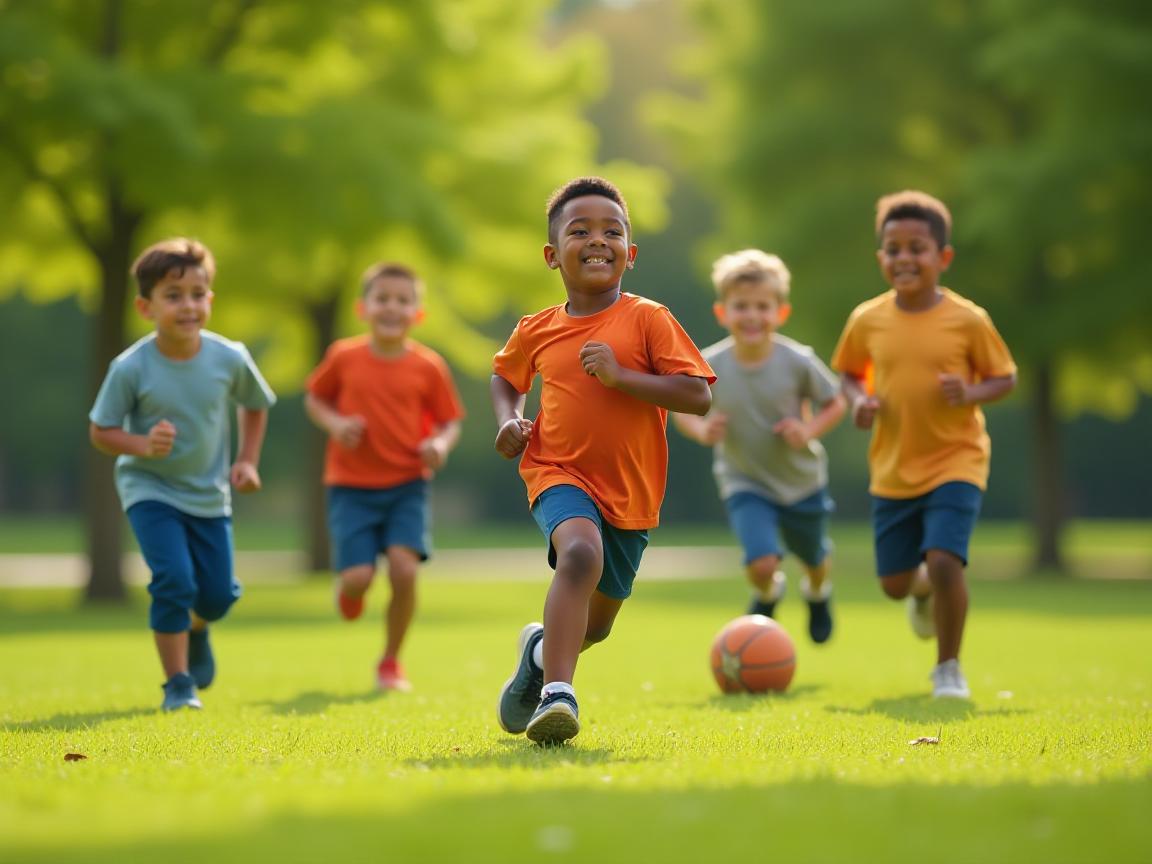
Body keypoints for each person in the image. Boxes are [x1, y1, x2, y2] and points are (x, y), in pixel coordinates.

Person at [491, 176, 715, 745]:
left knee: (596, 625)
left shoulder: (648, 319)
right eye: (580, 230)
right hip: (557, 471)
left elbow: (697, 394)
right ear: (552, 255)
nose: (598, 240)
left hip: (632, 493)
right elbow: (504, 377)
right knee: (579, 554)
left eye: (612, 231)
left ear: (630, 254)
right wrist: (508, 419)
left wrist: (621, 376)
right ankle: (558, 693)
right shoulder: (536, 328)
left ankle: (541, 650)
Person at [831, 190, 1016, 699]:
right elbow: (847, 373)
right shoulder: (867, 319)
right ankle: (919, 593)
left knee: (943, 561)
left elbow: (1005, 378)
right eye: (894, 248)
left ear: (943, 257)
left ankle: (948, 669)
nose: (905, 258)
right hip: (893, 467)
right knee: (894, 584)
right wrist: (858, 401)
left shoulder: (968, 319)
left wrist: (972, 391)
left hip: (957, 459)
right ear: (881, 258)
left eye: (918, 248)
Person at [89, 238, 275, 712]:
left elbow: (255, 404)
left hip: (208, 494)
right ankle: (177, 684)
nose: (188, 305)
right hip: (148, 489)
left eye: (198, 293)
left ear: (210, 299)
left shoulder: (228, 357)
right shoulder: (130, 367)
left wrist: (247, 460)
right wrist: (141, 445)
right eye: (173, 296)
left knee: (214, 597)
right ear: (145, 306)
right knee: (173, 579)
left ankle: (198, 625)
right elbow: (101, 430)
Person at [305, 262, 464, 692]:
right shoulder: (343, 356)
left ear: (418, 313)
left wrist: (439, 445)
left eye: (403, 300)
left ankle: (391, 661)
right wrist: (336, 424)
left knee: (404, 571)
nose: (392, 307)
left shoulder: (429, 366)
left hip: (407, 484)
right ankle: (351, 592)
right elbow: (315, 398)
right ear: (363, 307)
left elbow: (450, 422)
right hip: (351, 485)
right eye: (383, 299)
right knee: (358, 577)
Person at [672, 249, 845, 643]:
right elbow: (678, 409)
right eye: (741, 306)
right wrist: (702, 431)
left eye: (763, 306)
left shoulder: (797, 360)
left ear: (780, 313)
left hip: (801, 480)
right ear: (723, 312)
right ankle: (768, 591)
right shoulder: (708, 365)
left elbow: (836, 401)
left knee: (815, 559)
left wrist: (809, 429)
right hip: (744, 480)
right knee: (761, 562)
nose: (752, 316)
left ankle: (817, 592)